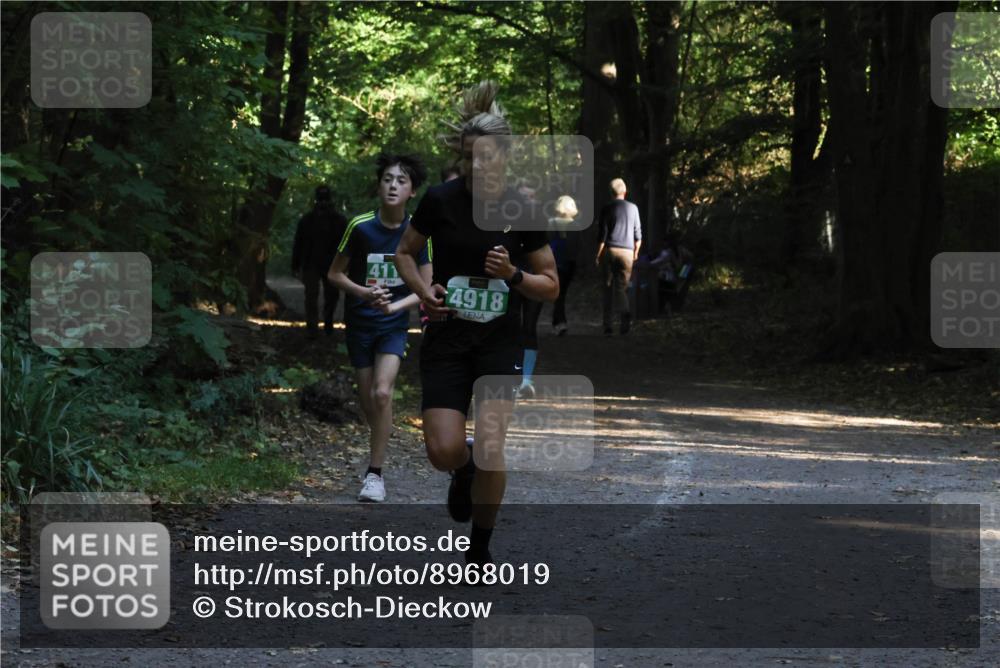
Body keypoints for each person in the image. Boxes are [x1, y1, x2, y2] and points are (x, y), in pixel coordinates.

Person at [394, 81, 559, 567]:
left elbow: (549, 283)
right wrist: (424, 292)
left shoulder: (522, 208)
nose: (477, 166)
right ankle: (460, 471)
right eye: (469, 157)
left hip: (498, 342)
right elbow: (405, 252)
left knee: (492, 447)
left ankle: (479, 549)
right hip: (447, 336)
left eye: (486, 157)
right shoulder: (440, 200)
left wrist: (513, 275)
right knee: (443, 449)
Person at [327, 153, 431, 503]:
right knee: (371, 401)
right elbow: (334, 273)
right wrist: (363, 293)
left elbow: (426, 290)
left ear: (412, 191)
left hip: (393, 324)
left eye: (401, 181)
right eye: (387, 179)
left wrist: (394, 306)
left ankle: (375, 474)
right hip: (359, 324)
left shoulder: (419, 234)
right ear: (378, 185)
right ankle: (382, 438)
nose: (393, 186)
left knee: (382, 393)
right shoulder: (359, 226)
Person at [292, 185, 347, 339]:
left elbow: (346, 245)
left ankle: (323, 326)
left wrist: (295, 265)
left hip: (329, 264)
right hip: (315, 264)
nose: (323, 202)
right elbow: (299, 243)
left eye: (325, 199)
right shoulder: (308, 220)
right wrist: (296, 265)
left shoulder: (337, 220)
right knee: (313, 296)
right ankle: (314, 328)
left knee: (328, 295)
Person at [595, 178, 642, 335]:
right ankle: (625, 313)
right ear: (624, 191)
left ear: (611, 192)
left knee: (608, 287)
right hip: (627, 252)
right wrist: (635, 252)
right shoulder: (633, 208)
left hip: (610, 250)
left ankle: (608, 325)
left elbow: (603, 235)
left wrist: (598, 254)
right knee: (621, 288)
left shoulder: (607, 208)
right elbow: (638, 235)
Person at [549, 195, 580, 336]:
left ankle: (558, 322)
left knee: (558, 293)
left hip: (554, 261)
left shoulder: (551, 223)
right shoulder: (575, 225)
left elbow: (546, 242)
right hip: (569, 262)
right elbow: (576, 247)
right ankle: (559, 322)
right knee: (562, 293)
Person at [650, 232, 695, 315]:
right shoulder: (677, 250)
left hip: (675, 277)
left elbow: (654, 264)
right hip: (678, 276)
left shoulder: (669, 253)